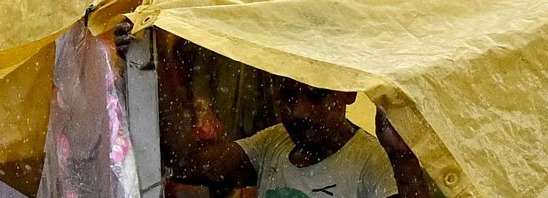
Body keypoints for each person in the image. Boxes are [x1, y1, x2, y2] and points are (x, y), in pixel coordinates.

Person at [154, 33, 430, 198]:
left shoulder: (373, 162)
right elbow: (187, 163)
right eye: (287, 96)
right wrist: (156, 53)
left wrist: (403, 159)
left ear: (348, 92)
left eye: (316, 95)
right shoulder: (272, 145)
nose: (299, 111)